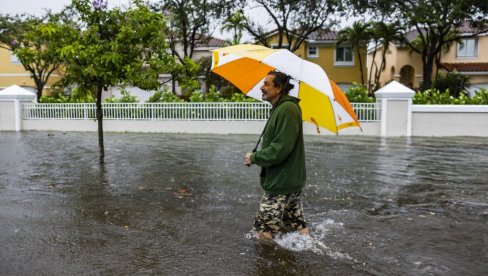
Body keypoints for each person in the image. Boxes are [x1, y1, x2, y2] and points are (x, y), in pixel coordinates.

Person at [244, 71, 309, 240]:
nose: (262, 87)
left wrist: (255, 157)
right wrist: (257, 155)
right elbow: (279, 144)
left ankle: (266, 265)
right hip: (288, 181)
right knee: (297, 227)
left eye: (266, 84)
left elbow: (280, 149)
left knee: (263, 231)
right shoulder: (281, 108)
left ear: (279, 88)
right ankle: (304, 259)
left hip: (280, 183)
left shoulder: (287, 109)